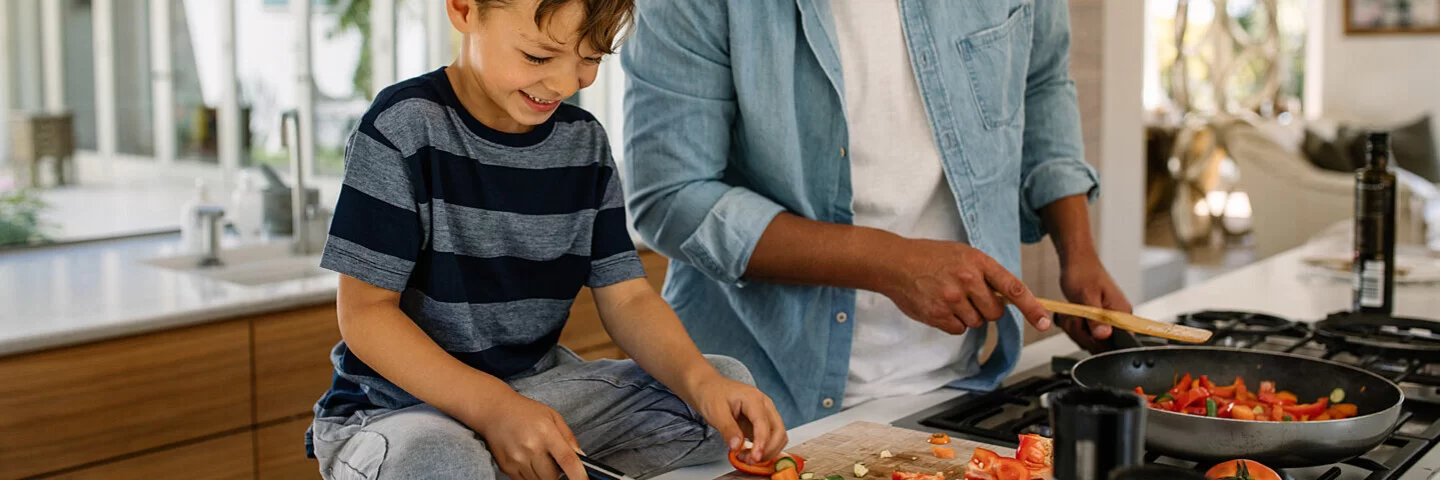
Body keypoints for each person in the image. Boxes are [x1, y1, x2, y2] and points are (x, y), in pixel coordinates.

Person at [305, 0, 787, 478]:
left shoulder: (586, 145)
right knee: (443, 460)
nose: (563, 83)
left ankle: (515, 461)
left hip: (533, 394)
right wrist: (494, 409)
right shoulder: (402, 126)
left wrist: (700, 381)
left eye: (591, 58)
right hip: (397, 413)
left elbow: (629, 299)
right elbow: (366, 317)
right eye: (537, 56)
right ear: (464, 10)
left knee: (723, 393)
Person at [621, 0, 1133, 426]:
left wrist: (1078, 251)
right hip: (752, 400)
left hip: (953, 391)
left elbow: (1041, 81)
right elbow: (670, 196)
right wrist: (889, 262)